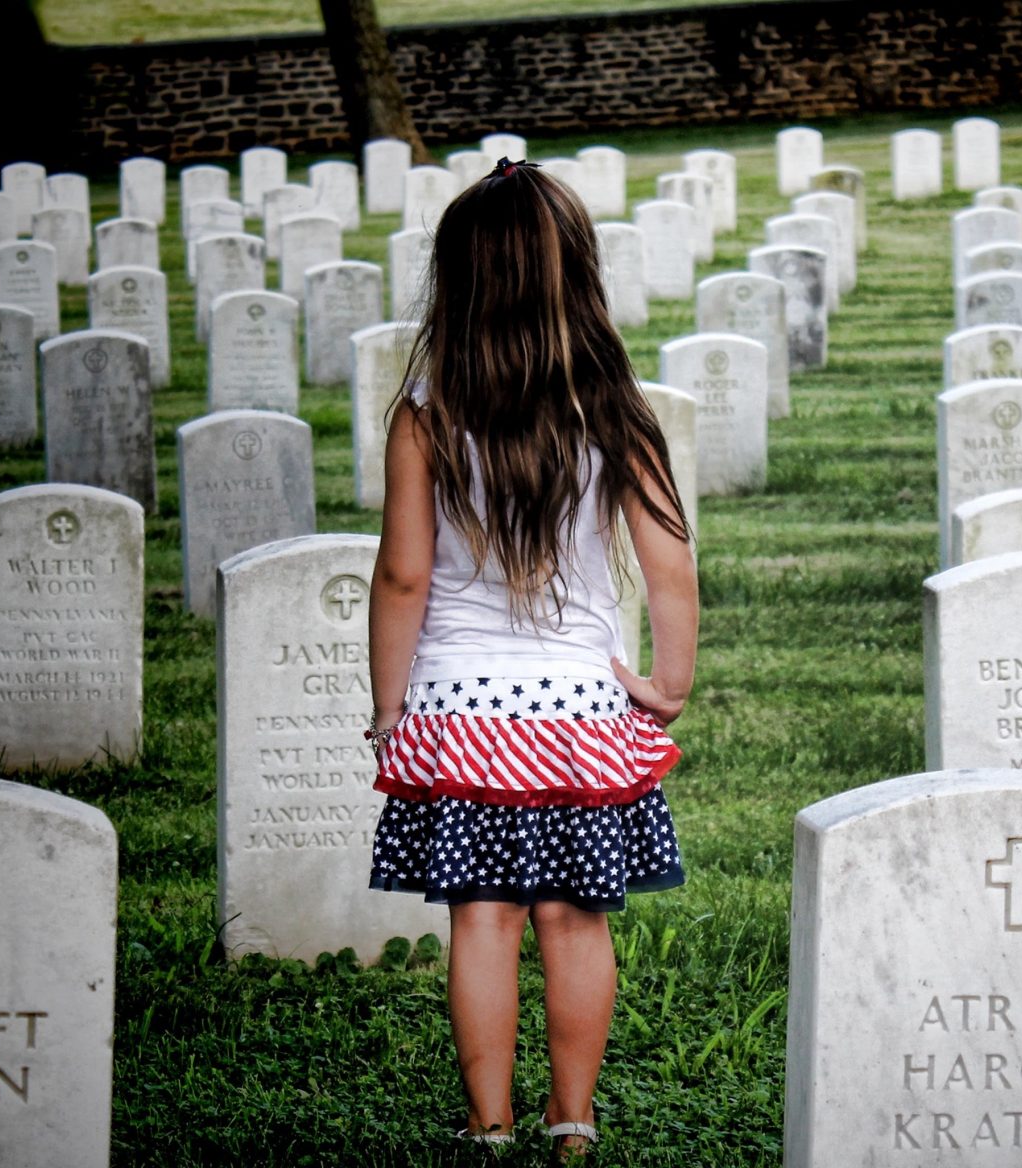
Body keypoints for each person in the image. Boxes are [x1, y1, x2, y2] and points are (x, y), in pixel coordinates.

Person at [363, 157, 698, 1161]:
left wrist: (392, 707)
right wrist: (668, 683)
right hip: (583, 716)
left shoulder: (427, 413)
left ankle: (486, 1123)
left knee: (483, 920)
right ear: (578, 276)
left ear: (457, 283)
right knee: (575, 917)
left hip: (463, 714)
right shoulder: (615, 409)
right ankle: (573, 1120)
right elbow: (670, 568)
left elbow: (403, 579)